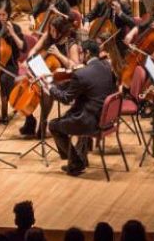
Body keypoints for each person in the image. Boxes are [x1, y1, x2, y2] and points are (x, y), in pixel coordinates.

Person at [44, 40, 117, 176]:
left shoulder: (82, 74)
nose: (80, 57)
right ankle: (80, 157)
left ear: (87, 53)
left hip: (91, 122)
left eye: (81, 53)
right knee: (71, 114)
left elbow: (66, 99)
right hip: (106, 119)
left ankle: (76, 163)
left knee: (53, 125)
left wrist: (49, 87)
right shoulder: (107, 67)